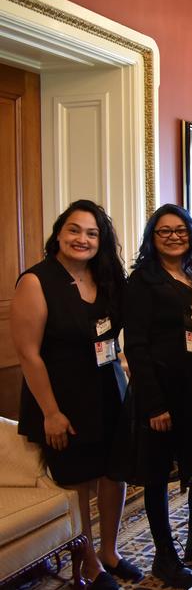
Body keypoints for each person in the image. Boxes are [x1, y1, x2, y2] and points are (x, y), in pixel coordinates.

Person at [12, 200, 137, 589]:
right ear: (59, 233)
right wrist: (50, 412)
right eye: (74, 230)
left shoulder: (107, 278)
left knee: (114, 475)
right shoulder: (36, 280)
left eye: (92, 233)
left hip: (107, 389)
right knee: (78, 481)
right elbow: (28, 354)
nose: (82, 239)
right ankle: (87, 563)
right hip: (61, 398)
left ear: (102, 241)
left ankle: (109, 552)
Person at [123, 204, 192, 588]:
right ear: (152, 237)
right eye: (164, 231)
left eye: (180, 229)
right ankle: (164, 556)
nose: (173, 236)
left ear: (191, 233)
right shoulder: (142, 281)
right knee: (157, 476)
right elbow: (135, 344)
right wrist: (153, 404)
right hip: (161, 394)